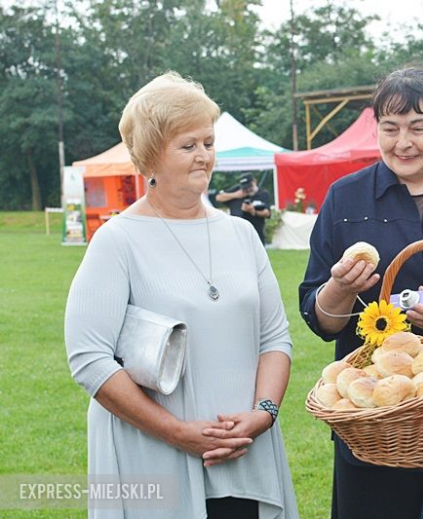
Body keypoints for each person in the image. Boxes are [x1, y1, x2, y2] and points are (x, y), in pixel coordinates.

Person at [65, 72, 298, 519]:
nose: (204, 157)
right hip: (155, 460)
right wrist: (175, 432)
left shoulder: (241, 234)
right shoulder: (118, 240)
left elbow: (275, 338)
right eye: (188, 146)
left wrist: (263, 414)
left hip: (244, 451)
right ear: (151, 155)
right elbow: (89, 358)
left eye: (208, 143)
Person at [298, 67, 423, 519]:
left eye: (418, 127)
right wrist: (340, 289)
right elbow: (318, 318)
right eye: (390, 128)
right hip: (374, 420)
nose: (403, 142)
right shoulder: (346, 199)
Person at [216, 175, 272, 244]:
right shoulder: (237, 190)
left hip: (255, 231)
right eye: (245, 188)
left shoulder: (263, 193)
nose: (248, 190)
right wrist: (236, 195)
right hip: (236, 232)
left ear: (254, 182)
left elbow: (267, 213)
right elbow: (218, 197)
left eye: (249, 187)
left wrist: (253, 211)